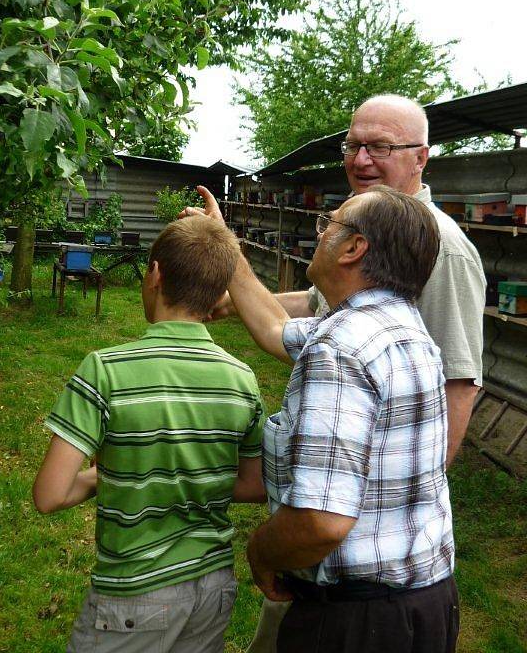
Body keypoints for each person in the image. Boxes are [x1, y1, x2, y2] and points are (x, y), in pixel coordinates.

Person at [238, 95, 486, 653]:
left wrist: (396, 507)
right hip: (410, 583)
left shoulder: (445, 251)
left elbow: (460, 385)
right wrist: (231, 276)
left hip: (357, 584)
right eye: (353, 144)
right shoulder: (382, 310)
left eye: (381, 146)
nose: (361, 157)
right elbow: (304, 317)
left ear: (422, 157)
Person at [185, 184, 458, 653]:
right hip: (427, 604)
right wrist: (224, 242)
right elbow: (274, 329)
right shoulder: (403, 329)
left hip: (357, 623)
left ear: (353, 248)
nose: (319, 233)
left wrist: (261, 551)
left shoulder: (339, 348)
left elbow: (320, 522)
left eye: (328, 224)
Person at [33, 216, 266, 653]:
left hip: (133, 595)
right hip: (213, 588)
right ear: (220, 294)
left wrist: (112, 476)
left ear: (155, 274)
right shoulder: (243, 379)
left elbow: (50, 494)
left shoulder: (105, 370)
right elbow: (254, 485)